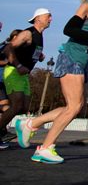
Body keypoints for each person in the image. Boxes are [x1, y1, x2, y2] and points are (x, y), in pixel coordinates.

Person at [18, 0, 88, 164]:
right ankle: (45, 148)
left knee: (74, 106)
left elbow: (86, 37)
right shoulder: (86, 7)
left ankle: (32, 123)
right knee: (74, 106)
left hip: (83, 61)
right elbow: (69, 29)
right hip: (71, 58)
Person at [0, 9, 52, 143]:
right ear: (37, 19)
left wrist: (38, 56)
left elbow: (28, 51)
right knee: (16, 105)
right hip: (13, 71)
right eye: (48, 16)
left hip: (24, 75)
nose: (50, 19)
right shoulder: (28, 33)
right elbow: (8, 48)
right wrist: (18, 65)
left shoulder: (39, 36)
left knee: (24, 107)